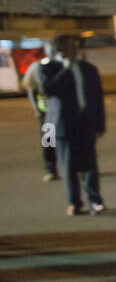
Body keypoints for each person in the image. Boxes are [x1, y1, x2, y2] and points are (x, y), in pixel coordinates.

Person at [24, 35, 105, 214]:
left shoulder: (89, 69)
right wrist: (65, 70)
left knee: (90, 164)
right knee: (65, 162)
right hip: (55, 122)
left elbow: (98, 98)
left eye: (75, 45)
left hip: (84, 123)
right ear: (58, 49)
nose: (74, 49)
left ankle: (95, 200)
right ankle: (72, 200)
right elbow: (44, 89)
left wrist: (100, 123)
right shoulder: (45, 68)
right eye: (69, 46)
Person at [22, 42, 60, 182]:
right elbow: (30, 87)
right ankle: (50, 168)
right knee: (49, 142)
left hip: (64, 112)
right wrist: (37, 109)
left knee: (70, 141)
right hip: (47, 113)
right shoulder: (37, 67)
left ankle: (75, 168)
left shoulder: (66, 65)